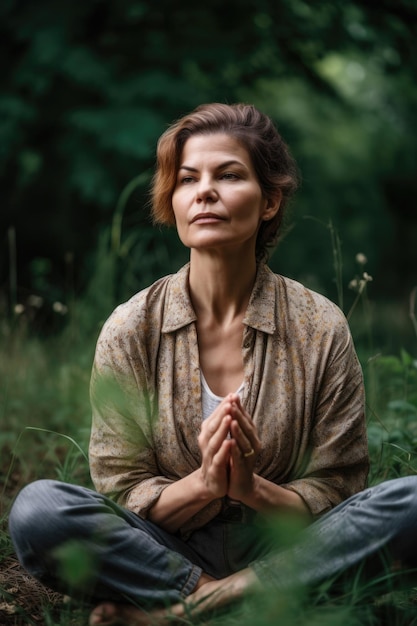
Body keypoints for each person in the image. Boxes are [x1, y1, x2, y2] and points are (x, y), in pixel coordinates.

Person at [8, 103, 417, 626]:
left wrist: (252, 490)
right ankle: (241, 602)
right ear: (172, 202)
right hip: (165, 554)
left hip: (291, 549)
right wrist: (205, 484)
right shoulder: (130, 327)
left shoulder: (321, 326)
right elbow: (123, 491)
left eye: (229, 175)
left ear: (269, 201)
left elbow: (339, 490)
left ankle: (183, 614)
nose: (205, 191)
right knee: (39, 509)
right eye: (186, 179)